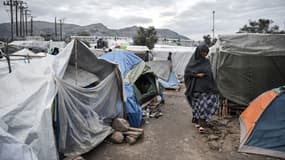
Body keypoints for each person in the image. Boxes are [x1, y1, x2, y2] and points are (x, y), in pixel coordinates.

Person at [184, 44, 219, 133]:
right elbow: (187, 73)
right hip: (195, 87)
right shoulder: (192, 62)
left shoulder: (206, 61)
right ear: (199, 52)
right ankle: (199, 121)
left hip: (205, 87)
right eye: (203, 52)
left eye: (206, 52)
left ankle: (201, 121)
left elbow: (209, 73)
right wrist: (196, 75)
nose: (205, 54)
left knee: (206, 103)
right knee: (197, 105)